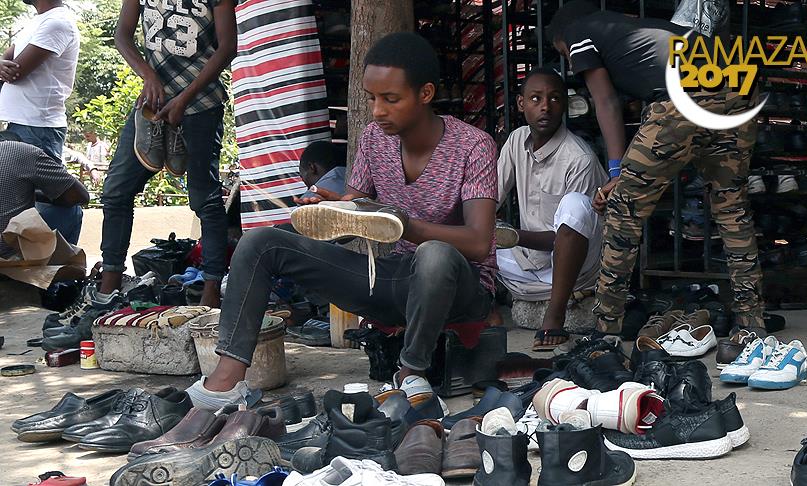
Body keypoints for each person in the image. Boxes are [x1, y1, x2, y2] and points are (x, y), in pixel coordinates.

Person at [186, 32, 498, 410]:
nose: (378, 110)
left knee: (435, 254)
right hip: (396, 279)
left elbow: (480, 242)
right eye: (372, 98)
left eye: (391, 99)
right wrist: (330, 211)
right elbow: (357, 211)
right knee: (260, 242)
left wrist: (400, 223)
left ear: (426, 94)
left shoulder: (473, 145)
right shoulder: (372, 140)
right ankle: (226, 382)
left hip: (460, 288)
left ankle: (410, 372)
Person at [546, 1, 765, 334]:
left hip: (684, 96)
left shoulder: (579, 34)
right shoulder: (630, 29)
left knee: (623, 212)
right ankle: (752, 325)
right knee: (732, 209)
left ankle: (605, 336)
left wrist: (617, 174)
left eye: (564, 55)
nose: (572, 62)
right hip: (740, 85)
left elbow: (605, 102)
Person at [96, 0, 237, 308]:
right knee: (117, 190)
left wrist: (185, 98)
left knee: (205, 199)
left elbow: (228, 47)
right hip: (153, 104)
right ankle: (108, 288)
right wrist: (148, 75)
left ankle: (211, 291)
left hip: (201, 105)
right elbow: (122, 35)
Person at [494, 66, 607, 351]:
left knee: (575, 205)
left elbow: (567, 236)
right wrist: (485, 229)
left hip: (575, 267)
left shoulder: (578, 157)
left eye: (554, 99)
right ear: (521, 104)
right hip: (526, 264)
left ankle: (554, 315)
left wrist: (514, 236)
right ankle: (483, 307)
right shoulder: (517, 140)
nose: (545, 107)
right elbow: (489, 198)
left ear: (565, 105)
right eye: (535, 99)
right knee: (469, 228)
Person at [0, 0, 79, 160]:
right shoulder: (38, 21)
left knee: (39, 185)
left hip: (37, 128)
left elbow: (14, 73)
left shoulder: (57, 22)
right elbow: (7, 58)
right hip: (23, 124)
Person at [0, 131, 88, 257]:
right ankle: (61, 272)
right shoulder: (21, 150)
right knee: (73, 211)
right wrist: (45, 194)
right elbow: (81, 196)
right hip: (6, 252)